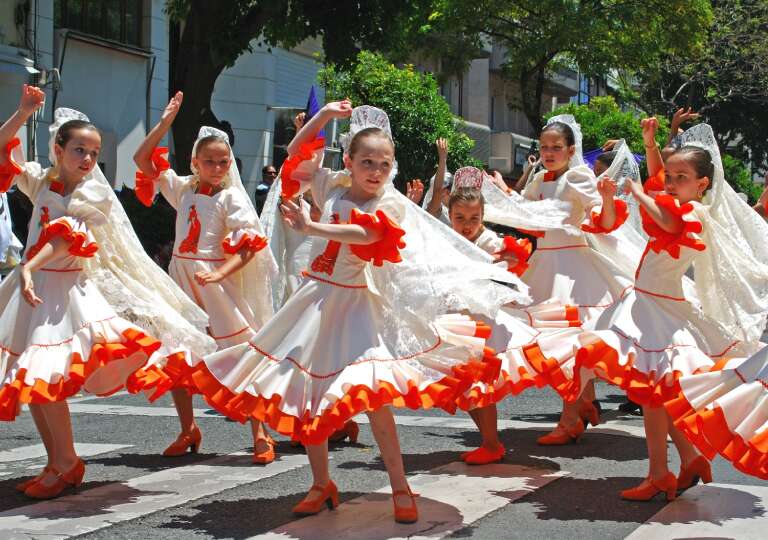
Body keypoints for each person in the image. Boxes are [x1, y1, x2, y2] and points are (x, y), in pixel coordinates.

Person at [188, 102, 524, 523]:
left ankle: (401, 488)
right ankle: (321, 483)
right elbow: (295, 152)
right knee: (309, 396)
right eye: (367, 161)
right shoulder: (332, 185)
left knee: (374, 402)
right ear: (348, 160)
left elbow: (365, 233)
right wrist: (326, 116)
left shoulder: (391, 205)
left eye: (384, 163)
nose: (376, 170)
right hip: (313, 302)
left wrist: (312, 227)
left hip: (356, 306)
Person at [526, 122, 768, 500]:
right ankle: (685, 460)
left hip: (659, 313)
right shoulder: (678, 200)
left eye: (681, 177)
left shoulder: (694, 214)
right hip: (646, 305)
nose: (669, 183)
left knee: (652, 397)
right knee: (655, 397)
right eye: (670, 176)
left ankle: (660, 473)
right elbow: (659, 178)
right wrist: (651, 145)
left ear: (702, 184)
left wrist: (637, 192)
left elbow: (666, 216)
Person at [0, 86, 214, 499]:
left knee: (46, 380)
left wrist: (29, 265)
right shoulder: (41, 181)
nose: (88, 160)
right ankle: (59, 461)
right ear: (59, 149)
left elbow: (65, 239)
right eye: (80, 150)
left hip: (64, 294)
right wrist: (23, 111)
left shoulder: (93, 193)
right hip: (33, 291)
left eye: (94, 153)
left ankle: (65, 462)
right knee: (33, 381)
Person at [134, 91, 279, 464]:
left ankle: (260, 431)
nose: (216, 167)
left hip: (215, 282)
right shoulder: (183, 189)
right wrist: (165, 122)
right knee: (179, 354)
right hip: (182, 278)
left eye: (222, 161)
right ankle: (188, 428)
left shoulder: (231, 199)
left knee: (237, 353)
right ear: (195, 162)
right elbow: (142, 159)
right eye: (209, 161)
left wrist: (219, 272)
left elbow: (250, 246)